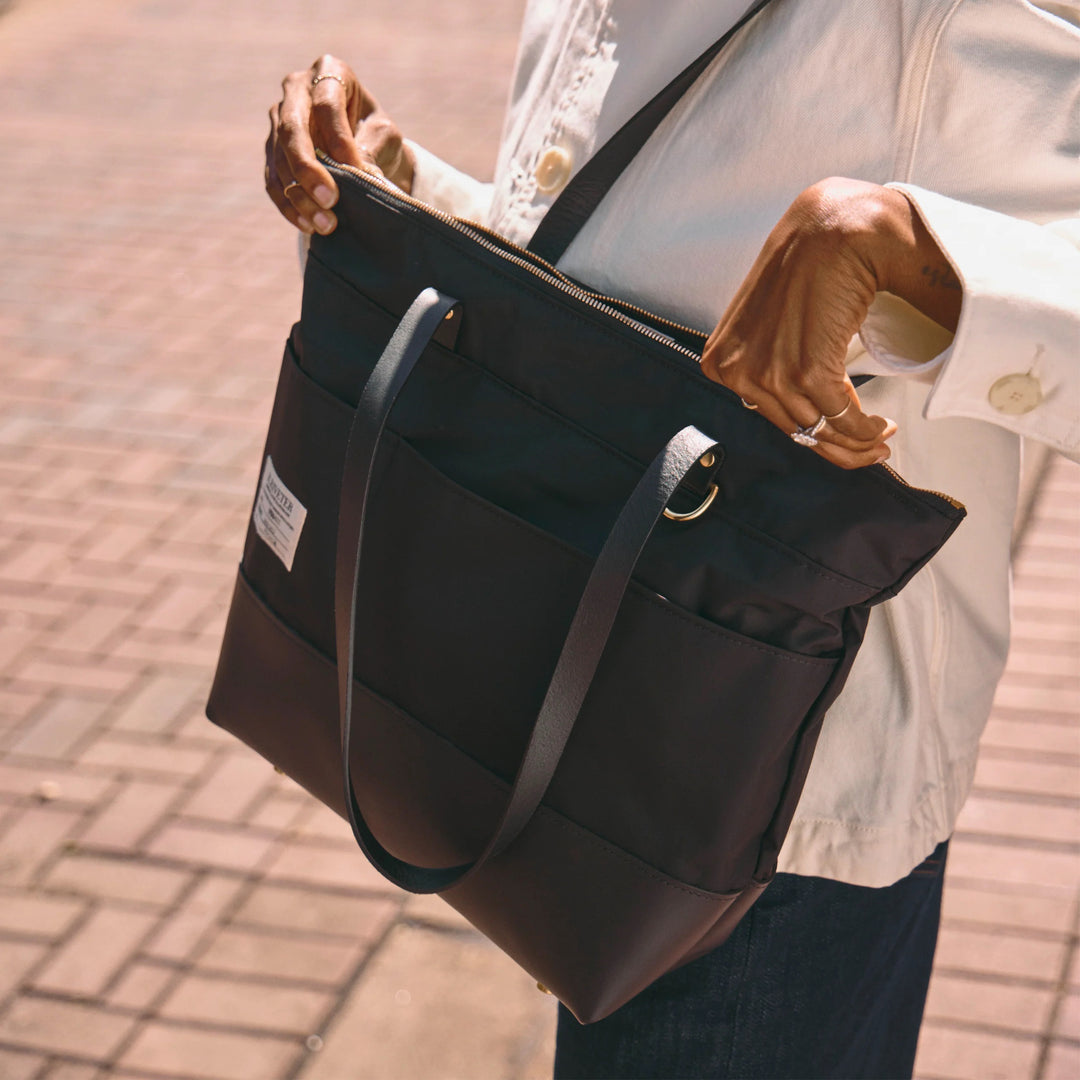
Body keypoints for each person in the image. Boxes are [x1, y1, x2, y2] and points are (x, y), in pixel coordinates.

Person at [263, 1, 1080, 1076]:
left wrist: (923, 256)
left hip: (774, 799)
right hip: (592, 713)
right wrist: (399, 186)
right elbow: (630, 246)